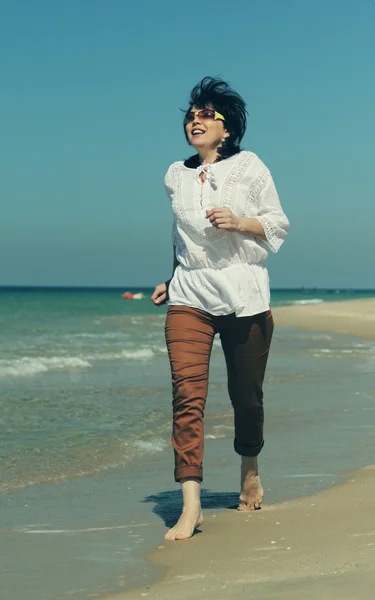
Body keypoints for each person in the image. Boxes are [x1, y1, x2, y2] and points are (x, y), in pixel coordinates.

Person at [151, 76, 289, 541]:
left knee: (246, 397)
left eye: (205, 114)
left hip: (244, 297)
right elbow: (181, 238)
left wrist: (238, 221)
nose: (195, 120)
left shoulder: (250, 168)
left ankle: (249, 466)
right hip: (190, 296)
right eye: (191, 115)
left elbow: (277, 224)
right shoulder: (176, 175)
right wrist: (171, 279)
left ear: (226, 128)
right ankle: (191, 506)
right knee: (186, 397)